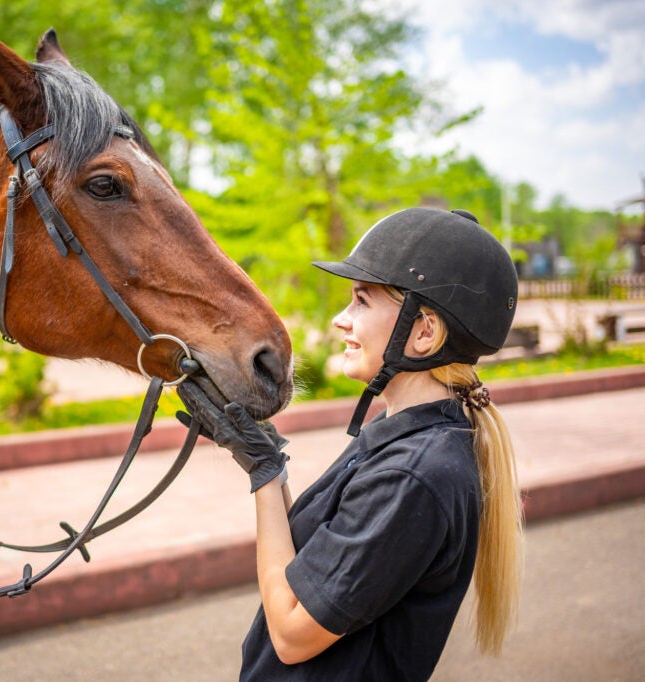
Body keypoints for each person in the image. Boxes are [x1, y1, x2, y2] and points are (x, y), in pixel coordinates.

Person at [178, 207, 524, 681]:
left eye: (361, 300)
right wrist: (267, 466)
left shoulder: (413, 475)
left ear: (423, 332)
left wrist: (263, 478)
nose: (342, 319)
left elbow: (292, 633)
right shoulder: (403, 434)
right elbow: (315, 564)